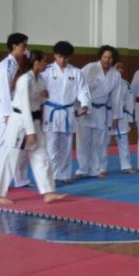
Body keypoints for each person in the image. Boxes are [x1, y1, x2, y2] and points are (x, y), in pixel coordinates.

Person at [0, 50, 66, 205]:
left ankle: (49, 192)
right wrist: (30, 132)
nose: (46, 63)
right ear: (36, 63)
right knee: (11, 158)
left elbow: (39, 101)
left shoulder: (40, 80)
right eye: (44, 61)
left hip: (35, 121)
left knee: (42, 156)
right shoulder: (25, 80)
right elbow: (24, 106)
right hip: (20, 123)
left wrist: (44, 95)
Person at [0, 32, 31, 190]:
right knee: (4, 144)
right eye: (23, 46)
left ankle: (20, 179)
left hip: (20, 109)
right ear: (14, 47)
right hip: (7, 109)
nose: (26, 49)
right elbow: (4, 93)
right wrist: (8, 115)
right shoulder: (5, 67)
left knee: (21, 146)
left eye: (26, 46)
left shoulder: (21, 61)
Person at [42, 41, 91, 184]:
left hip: (68, 112)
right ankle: (50, 177)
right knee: (51, 146)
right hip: (51, 112)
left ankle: (63, 175)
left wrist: (85, 104)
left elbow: (83, 90)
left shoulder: (76, 72)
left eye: (66, 58)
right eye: (60, 57)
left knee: (66, 146)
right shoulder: (47, 71)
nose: (62, 60)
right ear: (55, 55)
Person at [75, 46, 122, 179]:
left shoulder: (116, 75)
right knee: (83, 141)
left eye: (110, 57)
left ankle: (96, 169)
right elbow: (78, 87)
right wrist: (77, 107)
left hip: (101, 110)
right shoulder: (89, 68)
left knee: (99, 141)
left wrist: (116, 116)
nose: (107, 60)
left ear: (114, 59)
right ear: (100, 57)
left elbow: (116, 96)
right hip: (86, 108)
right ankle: (82, 169)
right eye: (105, 57)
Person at [112, 60, 136, 174]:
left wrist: (130, 118)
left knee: (124, 142)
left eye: (122, 67)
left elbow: (130, 102)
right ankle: (99, 168)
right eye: (117, 67)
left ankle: (126, 166)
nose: (120, 69)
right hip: (107, 115)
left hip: (122, 115)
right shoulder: (105, 82)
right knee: (102, 143)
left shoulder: (125, 83)